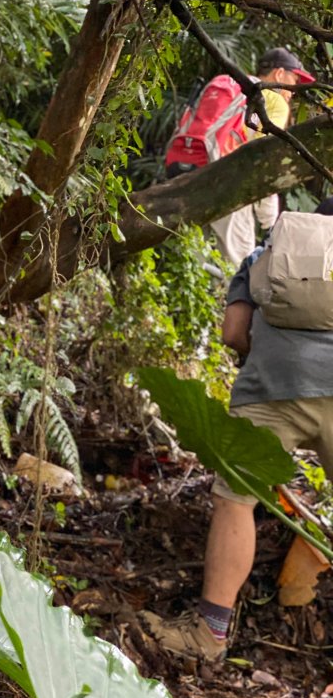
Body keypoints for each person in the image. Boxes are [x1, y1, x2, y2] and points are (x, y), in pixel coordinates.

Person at [141, 198, 333, 662]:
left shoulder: (266, 255)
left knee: (236, 500)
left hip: (271, 387)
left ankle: (209, 634)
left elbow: (233, 332)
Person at [165, 48, 315, 267]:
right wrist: (268, 218)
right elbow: (264, 158)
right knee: (239, 270)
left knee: (190, 261)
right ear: (279, 74)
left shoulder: (233, 84)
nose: (293, 91)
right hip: (226, 180)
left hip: (190, 167)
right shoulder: (274, 100)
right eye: (294, 80)